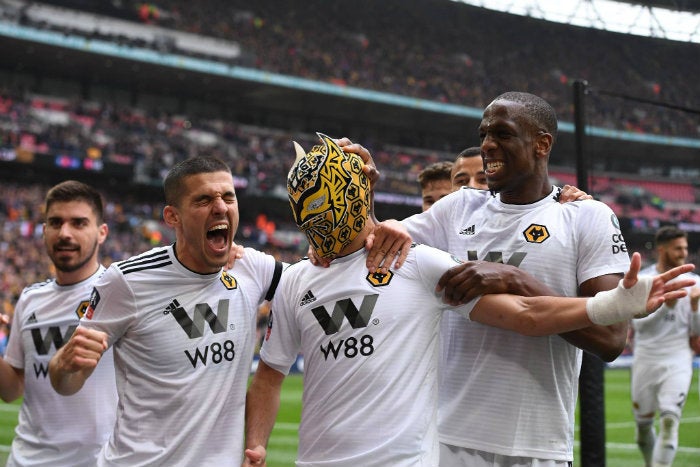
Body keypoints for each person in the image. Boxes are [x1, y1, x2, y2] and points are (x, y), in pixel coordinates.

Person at [241, 134, 694, 467]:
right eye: (458, 184)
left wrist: (613, 300)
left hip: (520, 437)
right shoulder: (322, 273)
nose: (468, 192)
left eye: (477, 179)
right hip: (443, 440)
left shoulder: (421, 262)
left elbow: (530, 315)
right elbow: (357, 240)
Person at [342, 91, 634, 467]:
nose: (487, 146)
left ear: (542, 144)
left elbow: (611, 338)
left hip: (536, 447)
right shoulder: (458, 208)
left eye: (503, 134)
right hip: (444, 439)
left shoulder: (586, 217)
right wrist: (357, 191)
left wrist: (514, 279)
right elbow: (371, 243)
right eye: (483, 135)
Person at [49, 157, 284, 467]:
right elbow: (67, 382)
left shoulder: (252, 267)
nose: (220, 207)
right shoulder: (128, 281)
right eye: (203, 199)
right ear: (173, 216)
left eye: (228, 196)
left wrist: (361, 230)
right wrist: (62, 365)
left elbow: (318, 283)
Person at [0, 180, 118, 467]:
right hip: (26, 461)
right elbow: (12, 389)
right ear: (44, 231)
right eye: (55, 223)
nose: (65, 233)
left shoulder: (122, 293)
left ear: (101, 232)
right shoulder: (29, 299)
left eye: (79, 223)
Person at [631, 226, 700, 467]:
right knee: (643, 428)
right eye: (678, 248)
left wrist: (695, 308)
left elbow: (697, 333)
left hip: (678, 357)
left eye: (685, 248)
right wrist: (664, 308)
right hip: (646, 357)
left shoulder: (695, 284)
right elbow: (638, 327)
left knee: (670, 420)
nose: (684, 253)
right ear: (662, 250)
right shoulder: (644, 280)